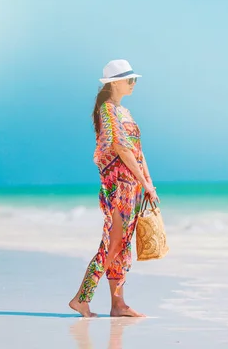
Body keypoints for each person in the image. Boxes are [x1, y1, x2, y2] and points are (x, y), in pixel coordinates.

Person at [69, 59, 159, 318]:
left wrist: (148, 183)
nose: (133, 84)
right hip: (118, 188)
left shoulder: (125, 112)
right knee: (114, 243)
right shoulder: (108, 110)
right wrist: (144, 182)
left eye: (135, 79)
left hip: (132, 188)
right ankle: (81, 298)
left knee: (122, 245)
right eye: (130, 80)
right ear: (115, 83)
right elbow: (120, 148)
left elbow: (138, 153)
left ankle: (118, 304)